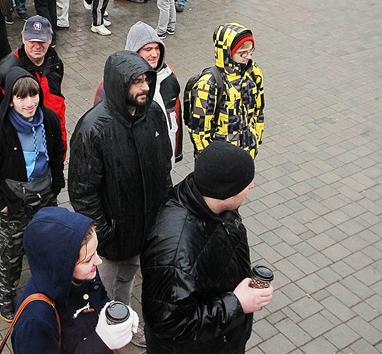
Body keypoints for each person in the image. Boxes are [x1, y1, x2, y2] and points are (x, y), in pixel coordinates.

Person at [68, 50, 173, 347]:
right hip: (113, 239)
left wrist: (166, 212)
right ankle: (103, 338)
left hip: (149, 229)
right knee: (104, 291)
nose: (144, 87)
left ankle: (124, 323)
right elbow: (82, 192)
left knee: (129, 282)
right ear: (117, 84)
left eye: (146, 80)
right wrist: (106, 232)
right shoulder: (93, 129)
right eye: (136, 82)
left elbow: (163, 167)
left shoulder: (152, 113)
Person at [141, 142, 274, 353]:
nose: (251, 186)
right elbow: (167, 323)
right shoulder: (175, 251)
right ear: (226, 191)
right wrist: (237, 304)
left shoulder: (214, 204)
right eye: (245, 182)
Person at [0, 67, 65, 322]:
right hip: (15, 205)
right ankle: (4, 293)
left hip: (46, 197)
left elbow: (57, 153)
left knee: (47, 245)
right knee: (10, 252)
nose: (29, 103)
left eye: (33, 95)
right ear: (10, 100)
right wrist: (1, 204)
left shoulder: (49, 120)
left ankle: (45, 288)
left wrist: (56, 182)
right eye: (21, 97)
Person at [11, 207, 140, 353]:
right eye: (88, 260)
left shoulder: (83, 274)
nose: (98, 261)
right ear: (61, 266)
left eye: (96, 251)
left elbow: (100, 299)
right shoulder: (35, 322)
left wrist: (114, 312)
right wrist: (100, 342)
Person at [94, 21, 183, 165]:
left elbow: (175, 116)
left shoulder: (169, 75)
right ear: (135, 51)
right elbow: (99, 127)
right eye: (148, 49)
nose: (155, 54)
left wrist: (176, 153)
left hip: (165, 160)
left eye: (157, 48)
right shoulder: (111, 84)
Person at [0, 16, 67, 151]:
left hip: (55, 131)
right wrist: (14, 126)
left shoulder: (55, 61)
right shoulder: (5, 71)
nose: (37, 46)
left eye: (42, 40)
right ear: (23, 38)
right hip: (26, 138)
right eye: (32, 40)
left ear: (50, 39)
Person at [188, 22, 264, 159]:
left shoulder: (254, 73)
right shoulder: (207, 84)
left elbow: (258, 111)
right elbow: (198, 132)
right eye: (242, 53)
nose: (248, 57)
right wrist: (213, 166)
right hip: (220, 165)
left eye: (250, 51)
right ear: (227, 53)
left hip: (247, 157)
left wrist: (256, 141)